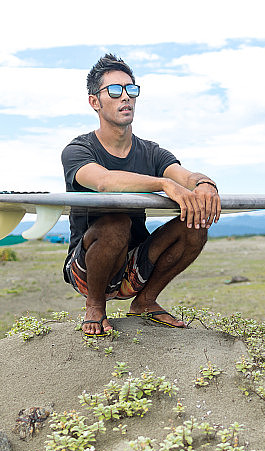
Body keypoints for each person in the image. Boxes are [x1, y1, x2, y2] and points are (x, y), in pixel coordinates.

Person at [61, 53, 220, 337]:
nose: (125, 97)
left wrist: (206, 184)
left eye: (131, 89)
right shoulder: (78, 150)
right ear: (94, 102)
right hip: (87, 268)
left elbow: (185, 176)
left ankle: (145, 301)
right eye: (114, 90)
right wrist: (163, 185)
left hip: (135, 265)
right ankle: (95, 306)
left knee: (195, 226)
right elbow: (104, 182)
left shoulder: (151, 151)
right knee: (116, 221)